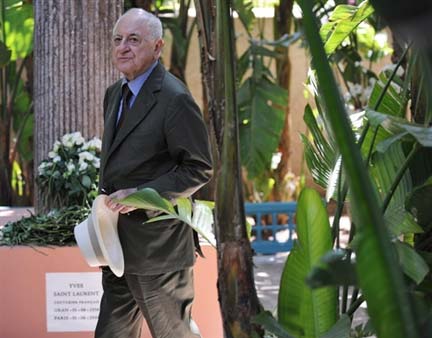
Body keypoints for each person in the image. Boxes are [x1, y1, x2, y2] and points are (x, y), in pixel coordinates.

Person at [95, 8, 213, 338]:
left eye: (134, 39)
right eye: (118, 39)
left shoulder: (175, 98)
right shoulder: (114, 94)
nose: (123, 47)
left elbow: (198, 167)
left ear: (157, 47)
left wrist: (140, 197)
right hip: (117, 248)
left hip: (159, 252)